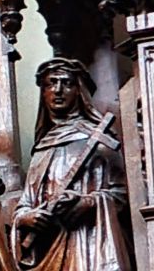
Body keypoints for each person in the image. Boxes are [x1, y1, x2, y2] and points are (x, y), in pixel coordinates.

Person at [13, 58, 133, 271]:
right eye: (51, 83)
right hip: (48, 247)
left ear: (79, 91)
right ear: (43, 92)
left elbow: (123, 194)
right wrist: (25, 218)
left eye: (67, 83)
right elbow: (26, 202)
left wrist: (88, 202)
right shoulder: (42, 148)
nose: (58, 90)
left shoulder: (100, 141)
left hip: (88, 243)